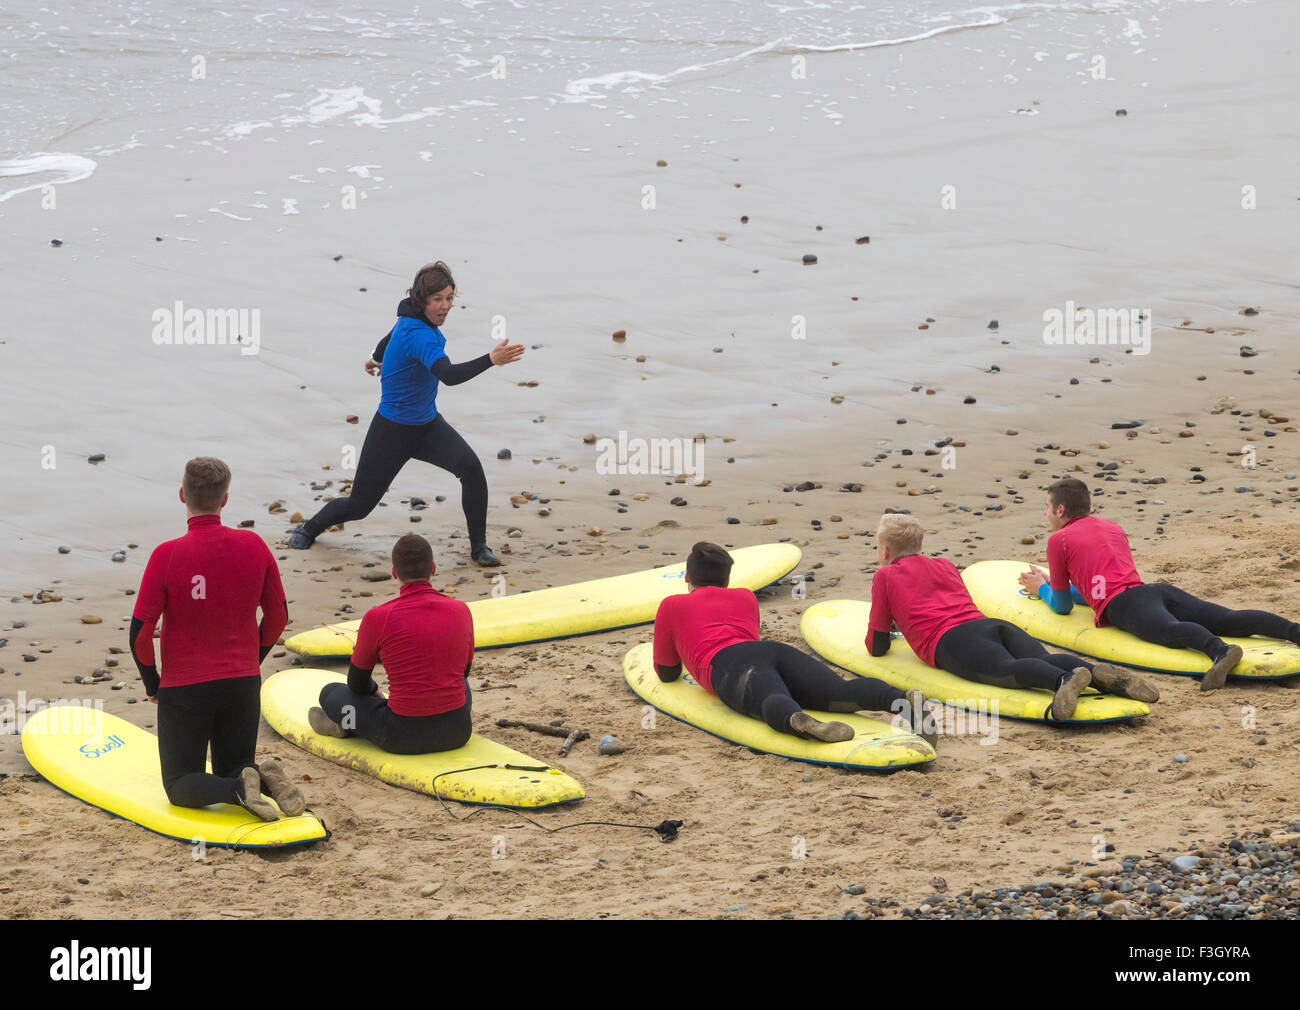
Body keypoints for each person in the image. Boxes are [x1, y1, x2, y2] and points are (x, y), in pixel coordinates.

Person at [289, 260, 525, 567]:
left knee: (471, 470)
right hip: (392, 431)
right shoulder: (419, 335)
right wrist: (491, 360)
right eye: (437, 299)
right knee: (359, 506)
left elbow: (388, 338)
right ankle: (308, 528)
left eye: (450, 298)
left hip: (427, 427)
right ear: (422, 300)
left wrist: (375, 358)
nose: (445, 306)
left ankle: (479, 548)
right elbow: (449, 375)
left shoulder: (408, 317)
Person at [130, 457, 303, 821]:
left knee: (180, 784)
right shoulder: (254, 545)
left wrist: (153, 683)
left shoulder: (167, 554)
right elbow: (278, 616)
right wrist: (250, 659)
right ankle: (258, 779)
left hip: (185, 689)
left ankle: (239, 789)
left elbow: (140, 635)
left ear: (182, 495)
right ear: (225, 500)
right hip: (240, 683)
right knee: (236, 764)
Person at [1018, 478, 1300, 691]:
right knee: (1228, 617)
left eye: (1047, 507)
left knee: (1170, 631)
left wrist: (1041, 589)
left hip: (1124, 605)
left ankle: (1220, 651)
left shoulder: (1059, 540)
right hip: (1155, 591)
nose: (1045, 513)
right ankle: (1293, 631)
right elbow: (1097, 591)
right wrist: (1054, 584)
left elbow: (1063, 607)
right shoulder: (1112, 527)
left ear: (1061, 510)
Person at [868, 513, 1158, 721]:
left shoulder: (885, 575)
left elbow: (877, 644)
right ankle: (1098, 674)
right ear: (920, 545)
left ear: (884, 551)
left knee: (1008, 668)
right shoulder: (944, 564)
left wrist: (892, 631)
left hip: (952, 639)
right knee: (1041, 658)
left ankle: (1063, 680)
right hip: (989, 625)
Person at [653, 542, 937, 746]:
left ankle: (796, 720)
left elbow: (666, 672)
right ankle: (902, 699)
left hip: (729, 663)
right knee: (839, 691)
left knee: (768, 698)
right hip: (773, 651)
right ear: (728, 579)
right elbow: (750, 640)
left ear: (687, 576)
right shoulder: (745, 597)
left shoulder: (672, 604)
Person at [308, 534, 474, 754]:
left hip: (401, 736)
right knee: (461, 685)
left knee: (330, 693)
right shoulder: (461, 610)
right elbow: (464, 672)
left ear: (394, 572)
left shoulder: (378, 617)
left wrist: (375, 690)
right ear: (433, 568)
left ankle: (348, 728)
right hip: (458, 731)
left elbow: (356, 684)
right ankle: (354, 726)